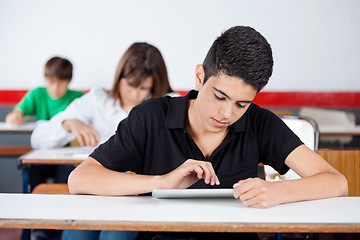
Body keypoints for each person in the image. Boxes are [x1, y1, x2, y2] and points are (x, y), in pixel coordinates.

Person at [68, 26, 348, 240]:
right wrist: (162, 183)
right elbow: (80, 179)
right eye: (219, 96)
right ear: (200, 76)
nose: (227, 114)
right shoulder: (151, 117)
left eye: (242, 104)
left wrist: (277, 191)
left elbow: (336, 183)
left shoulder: (259, 122)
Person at [30, 42, 175, 240]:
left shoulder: (167, 105)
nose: (135, 94)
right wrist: (69, 123)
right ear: (119, 77)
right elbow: (37, 138)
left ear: (155, 85)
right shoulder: (98, 100)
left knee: (114, 235)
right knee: (77, 235)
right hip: (95, 191)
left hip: (140, 194)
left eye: (144, 88)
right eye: (131, 84)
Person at [5, 56, 84, 125]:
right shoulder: (37, 94)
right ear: (45, 79)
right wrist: (15, 116)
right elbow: (17, 112)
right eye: (51, 82)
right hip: (42, 142)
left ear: (69, 81)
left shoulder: (80, 99)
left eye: (61, 83)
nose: (55, 88)